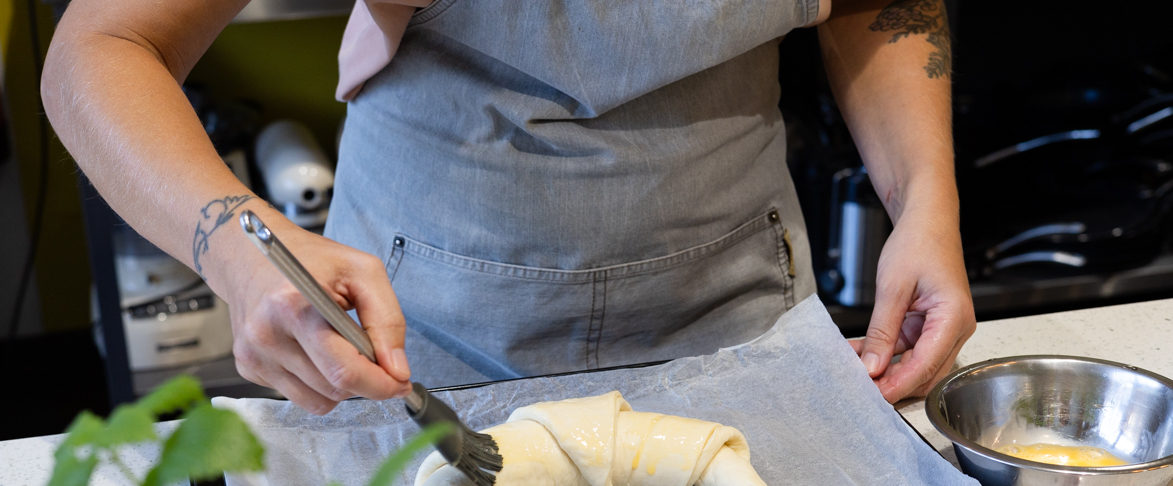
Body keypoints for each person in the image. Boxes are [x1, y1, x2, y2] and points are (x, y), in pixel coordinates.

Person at [42, 0, 974, 415]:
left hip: (740, 318)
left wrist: (925, 196)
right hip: (422, 344)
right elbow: (103, 47)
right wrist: (239, 245)